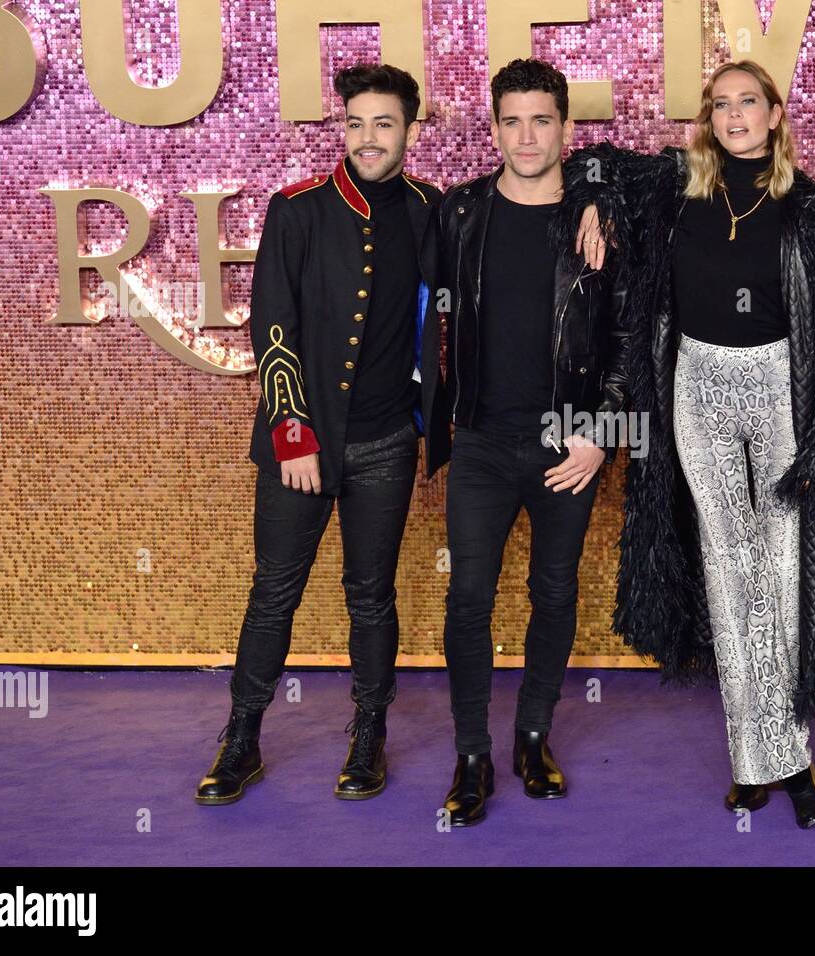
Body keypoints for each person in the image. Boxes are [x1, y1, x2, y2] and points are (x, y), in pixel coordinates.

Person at [611, 61, 815, 828]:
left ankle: (790, 753)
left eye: (747, 102)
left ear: (777, 112)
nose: (734, 115)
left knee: (783, 570)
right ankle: (755, 763)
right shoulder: (674, 190)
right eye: (720, 105)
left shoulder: (812, 208)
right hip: (698, 383)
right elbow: (592, 172)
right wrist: (592, 206)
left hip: (779, 383)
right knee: (728, 568)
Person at [194, 63, 449, 805]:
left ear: (409, 129)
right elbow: (273, 325)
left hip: (388, 442)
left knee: (370, 595)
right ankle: (241, 738)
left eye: (384, 124)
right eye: (356, 123)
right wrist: (293, 435)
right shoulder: (298, 207)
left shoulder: (431, 209)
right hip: (302, 443)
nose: (368, 138)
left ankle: (368, 735)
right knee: (274, 590)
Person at [436, 58, 630, 826]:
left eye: (541, 120)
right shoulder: (459, 214)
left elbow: (625, 339)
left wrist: (601, 433)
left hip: (567, 445)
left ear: (565, 129)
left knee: (552, 593)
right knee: (468, 599)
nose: (526, 135)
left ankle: (534, 736)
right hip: (481, 441)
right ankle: (472, 753)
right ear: (493, 129)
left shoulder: (601, 218)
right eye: (511, 121)